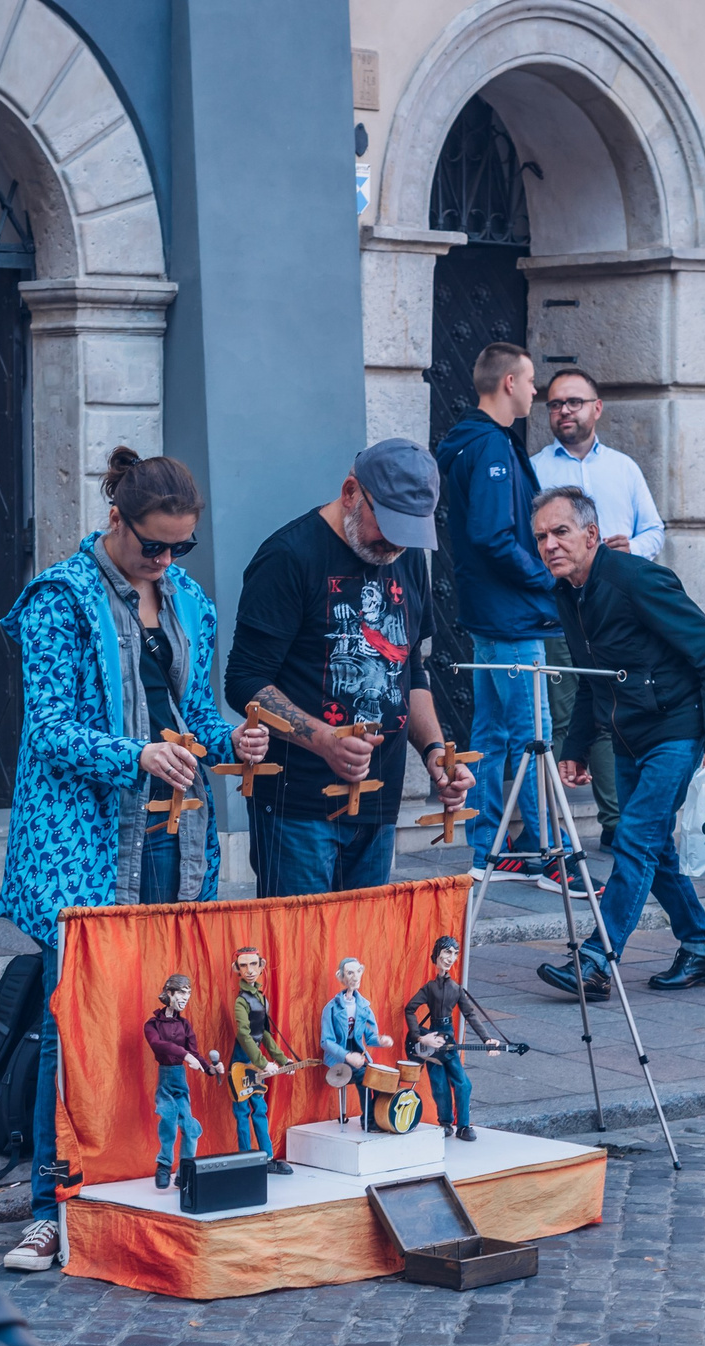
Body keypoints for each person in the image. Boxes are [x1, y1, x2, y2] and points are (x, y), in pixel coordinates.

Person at [0, 448, 271, 1272]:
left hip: (173, 838)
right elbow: (48, 728)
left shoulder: (188, 600)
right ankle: (49, 1210)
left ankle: (132, 1178)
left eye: (182, 547)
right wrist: (137, 755)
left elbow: (193, 716)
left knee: (159, 1013)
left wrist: (235, 740)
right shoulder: (59, 598)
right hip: (81, 840)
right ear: (116, 518)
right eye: (154, 545)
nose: (167, 560)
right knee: (71, 1026)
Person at [225, 439, 473, 895]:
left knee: (362, 940)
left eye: (409, 531)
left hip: (379, 802)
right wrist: (324, 740)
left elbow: (410, 669)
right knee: (298, 938)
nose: (396, 543)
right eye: (389, 526)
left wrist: (436, 752)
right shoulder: (288, 556)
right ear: (350, 492)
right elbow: (244, 680)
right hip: (299, 806)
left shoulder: (406, 556)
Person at [529, 487, 705, 999]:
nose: (550, 545)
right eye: (541, 537)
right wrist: (576, 747)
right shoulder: (567, 594)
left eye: (560, 532)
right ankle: (703, 947)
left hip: (676, 729)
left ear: (591, 534)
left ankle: (597, 960)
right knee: (654, 850)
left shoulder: (636, 579)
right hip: (627, 738)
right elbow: (590, 679)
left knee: (635, 838)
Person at [532, 366, 669, 851]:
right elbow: (529, 543)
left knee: (616, 713)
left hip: (620, 614)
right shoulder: (536, 469)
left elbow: (655, 529)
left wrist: (632, 549)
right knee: (563, 718)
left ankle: (616, 824)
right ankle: (560, 829)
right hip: (560, 613)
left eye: (574, 401)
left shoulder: (624, 468)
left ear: (597, 408)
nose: (564, 410)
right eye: (555, 404)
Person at [434, 342, 557, 873]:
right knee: (534, 738)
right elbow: (493, 536)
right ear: (509, 383)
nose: (535, 390)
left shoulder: (473, 440)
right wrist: (548, 578)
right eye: (530, 381)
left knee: (491, 734)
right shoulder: (489, 446)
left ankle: (488, 848)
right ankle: (548, 853)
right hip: (512, 618)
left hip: (493, 614)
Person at [404, 935, 499, 1142]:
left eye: (455, 953)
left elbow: (470, 1014)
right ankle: (445, 1123)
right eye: (447, 952)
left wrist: (486, 1039)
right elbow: (410, 1009)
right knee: (439, 1085)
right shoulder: (429, 988)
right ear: (437, 954)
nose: (451, 958)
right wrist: (420, 1037)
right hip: (433, 1040)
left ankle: (463, 1125)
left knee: (463, 1083)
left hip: (449, 1040)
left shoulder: (456, 989)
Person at [144, 973, 218, 1191]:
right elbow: (158, 1044)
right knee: (168, 1118)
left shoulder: (185, 1025)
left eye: (189, 993)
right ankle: (164, 1165)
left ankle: (185, 1172)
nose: (186, 997)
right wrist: (184, 1055)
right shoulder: (152, 1024)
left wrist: (210, 1068)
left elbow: (194, 1053)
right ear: (169, 993)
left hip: (180, 1079)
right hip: (166, 1078)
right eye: (182, 992)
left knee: (189, 1127)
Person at [230, 946, 296, 1174]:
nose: (249, 970)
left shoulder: (261, 998)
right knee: (242, 1112)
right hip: (241, 1063)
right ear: (237, 969)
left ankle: (266, 1157)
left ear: (261, 966)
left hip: (256, 1062)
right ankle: (245, 1159)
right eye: (244, 966)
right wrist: (263, 1063)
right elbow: (244, 1034)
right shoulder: (241, 1002)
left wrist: (282, 1059)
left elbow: (264, 1033)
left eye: (253, 964)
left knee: (259, 1108)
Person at [318, 956, 391, 1127]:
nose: (355, 977)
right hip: (339, 1058)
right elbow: (326, 1041)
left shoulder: (364, 1007)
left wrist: (381, 1041)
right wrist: (347, 1056)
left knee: (378, 1076)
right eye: (350, 973)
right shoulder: (331, 1008)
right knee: (365, 1077)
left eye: (358, 972)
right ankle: (368, 1121)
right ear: (341, 977)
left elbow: (371, 1037)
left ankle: (380, 1117)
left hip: (359, 1055)